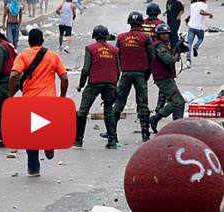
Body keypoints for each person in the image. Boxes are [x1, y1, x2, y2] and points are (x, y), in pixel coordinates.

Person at [8, 28, 69, 177]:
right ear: (43, 40)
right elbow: (65, 77)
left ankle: (34, 168)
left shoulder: (23, 56)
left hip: (30, 100)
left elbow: (14, 75)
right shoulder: (53, 56)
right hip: (49, 100)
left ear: (29, 42)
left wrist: (10, 94)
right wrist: (62, 97)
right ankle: (49, 144)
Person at [74, 25, 119, 149]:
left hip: (94, 83)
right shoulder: (114, 50)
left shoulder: (91, 48)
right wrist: (114, 84)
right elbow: (118, 69)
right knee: (109, 110)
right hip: (111, 83)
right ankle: (112, 141)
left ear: (94, 36)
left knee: (83, 110)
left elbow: (85, 70)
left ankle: (78, 140)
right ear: (106, 36)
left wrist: (81, 85)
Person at [113, 11, 155, 142]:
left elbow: (116, 56)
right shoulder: (145, 37)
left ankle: (111, 133)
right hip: (140, 74)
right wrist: (147, 74)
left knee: (119, 102)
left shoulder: (120, 38)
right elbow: (152, 57)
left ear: (129, 23)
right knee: (142, 104)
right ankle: (145, 133)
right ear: (141, 23)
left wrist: (119, 72)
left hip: (125, 74)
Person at [149, 24, 185, 133]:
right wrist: (175, 56)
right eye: (163, 34)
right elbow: (168, 59)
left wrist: (178, 50)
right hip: (163, 77)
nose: (166, 36)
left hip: (166, 76)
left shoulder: (165, 45)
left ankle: (174, 123)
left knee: (176, 101)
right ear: (158, 35)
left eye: (167, 34)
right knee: (178, 102)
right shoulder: (159, 46)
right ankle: (172, 123)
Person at [186, 0, 213, 69]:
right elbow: (201, 12)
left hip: (191, 26)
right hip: (199, 27)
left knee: (189, 43)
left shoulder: (192, 5)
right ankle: (196, 46)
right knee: (200, 39)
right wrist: (210, 14)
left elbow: (192, 14)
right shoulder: (204, 5)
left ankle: (188, 60)